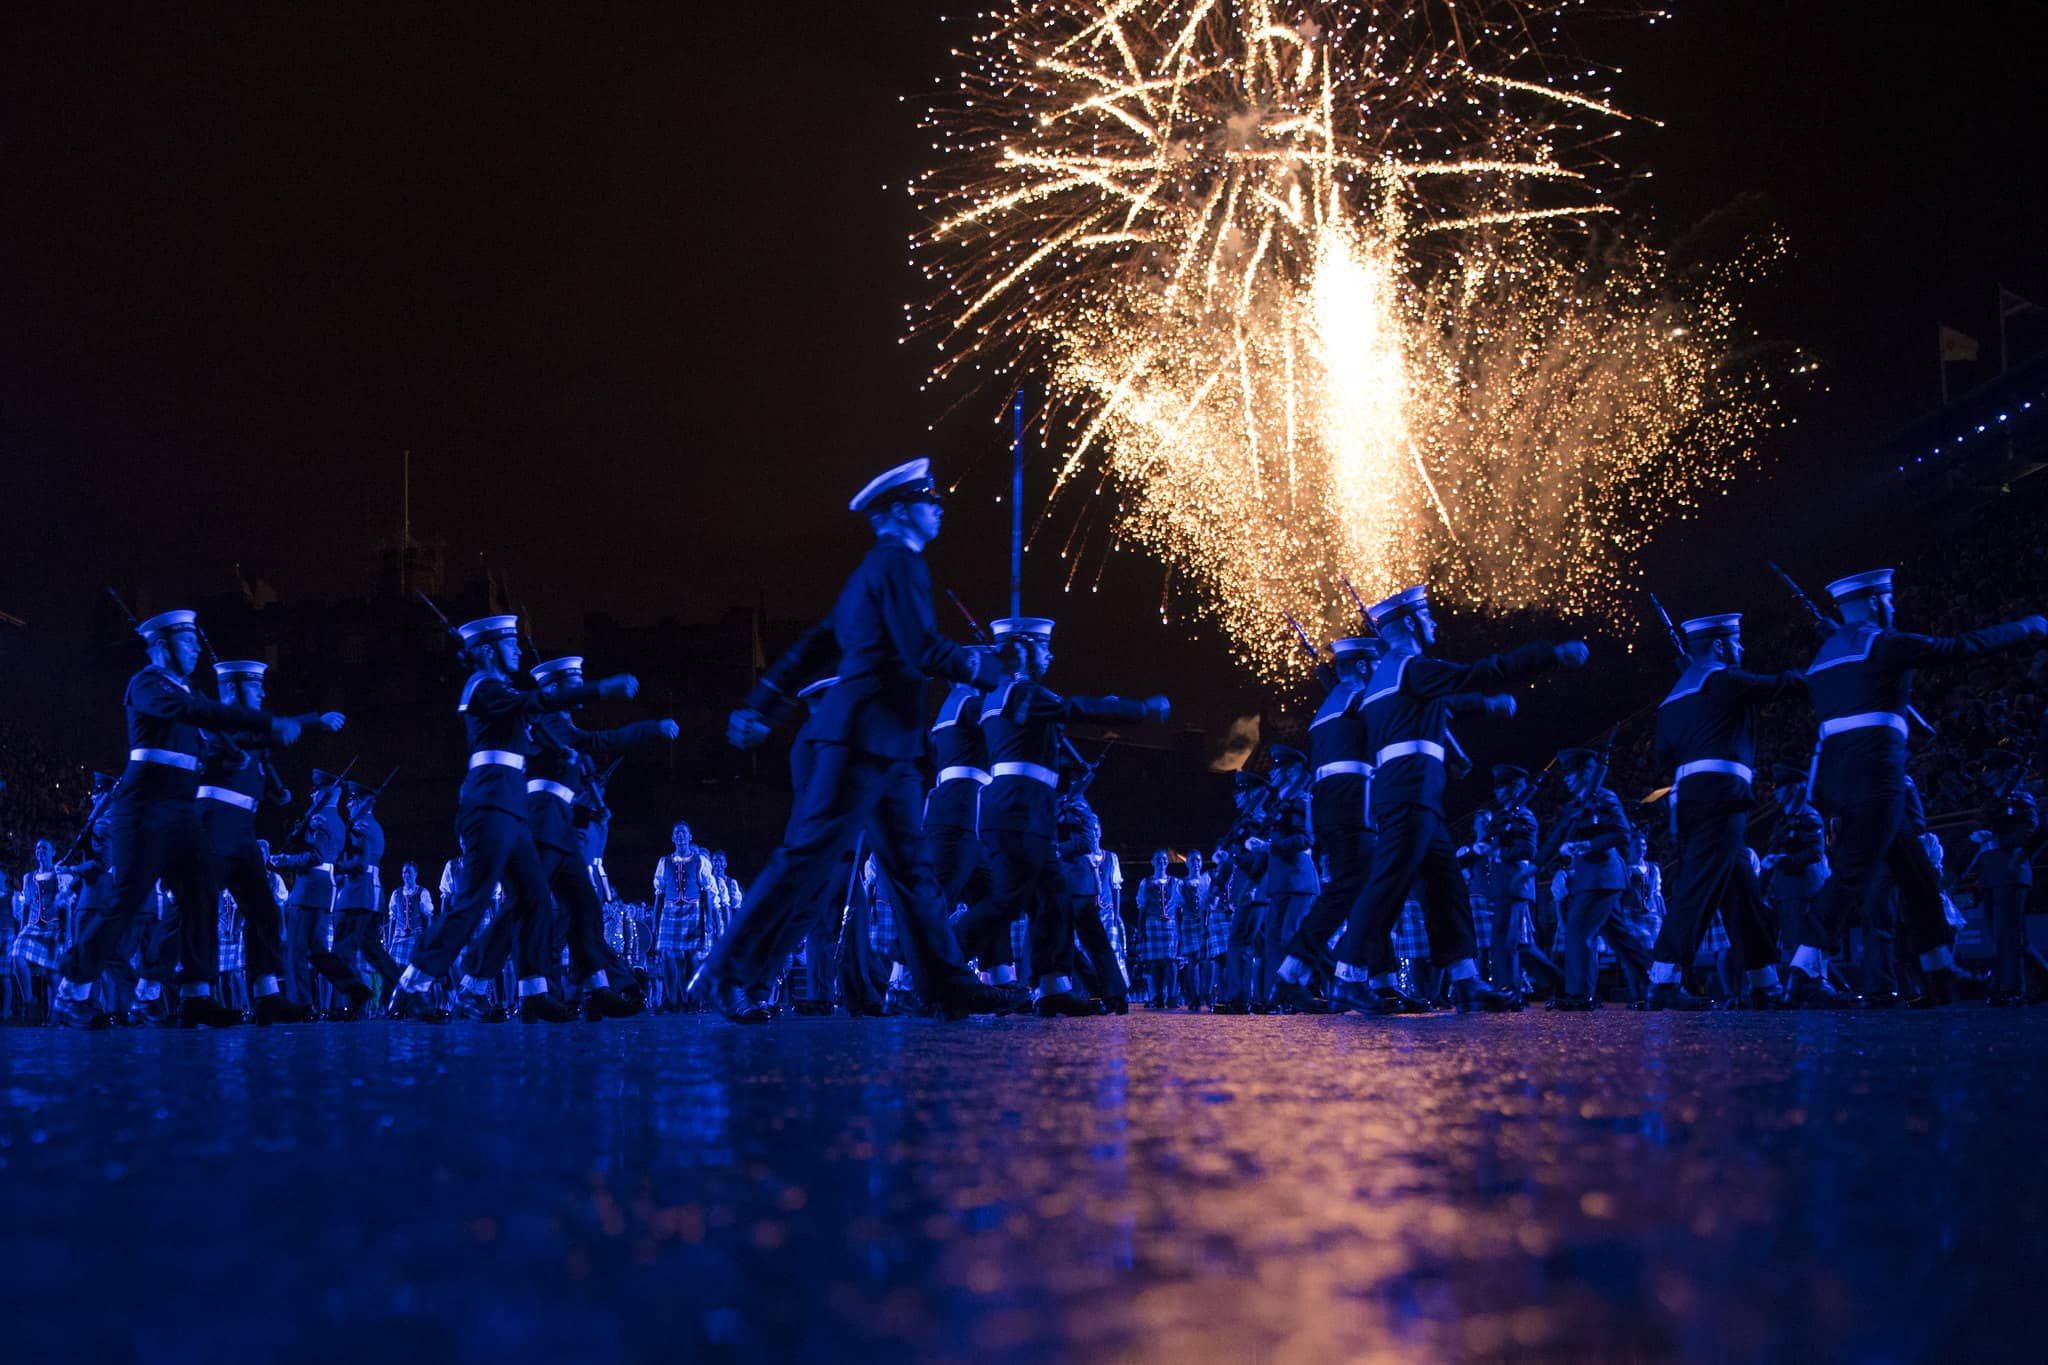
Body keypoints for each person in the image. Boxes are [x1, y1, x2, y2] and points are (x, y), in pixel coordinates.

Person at [702, 459, 1020, 1023]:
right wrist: (985, 665)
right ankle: (730, 974)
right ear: (900, 510)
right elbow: (919, 648)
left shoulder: (871, 571)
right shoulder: (899, 563)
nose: (939, 507)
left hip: (886, 745)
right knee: (806, 858)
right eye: (930, 500)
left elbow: (818, 643)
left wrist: (763, 704)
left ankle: (946, 985)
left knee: (912, 869)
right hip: (859, 741)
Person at [55, 610, 340, 1029]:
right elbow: (202, 713)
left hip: (182, 813)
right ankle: (72, 992)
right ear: (160, 647)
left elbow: (211, 723)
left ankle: (194, 997)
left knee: (201, 898)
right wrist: (283, 722)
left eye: (192, 643)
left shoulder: (183, 690)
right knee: (126, 902)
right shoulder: (148, 684)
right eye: (185, 644)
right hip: (145, 807)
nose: (193, 652)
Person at [1787, 568, 2046, 1008]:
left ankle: (1939, 971)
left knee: (1919, 879)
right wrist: (2027, 626)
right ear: (1873, 603)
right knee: (1853, 873)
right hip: (1879, 775)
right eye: (1887, 601)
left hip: (1842, 779)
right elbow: (1961, 647)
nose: (1892, 608)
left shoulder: (1825, 658)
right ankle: (1804, 972)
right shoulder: (1883, 643)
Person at [1332, 585, 1584, 1014]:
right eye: (1426, 617)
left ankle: (1465, 979)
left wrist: (1484, 705)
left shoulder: (1388, 675)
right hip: (1410, 792)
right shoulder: (1409, 666)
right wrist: (1549, 655)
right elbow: (1473, 673)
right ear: (1409, 623)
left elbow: (1446, 701)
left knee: (1447, 887)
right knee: (1388, 883)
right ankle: (1348, 976)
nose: (1432, 624)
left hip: (1415, 794)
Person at [388, 613, 639, 1024]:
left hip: (513, 811)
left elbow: (546, 724)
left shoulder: (502, 692)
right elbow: (531, 702)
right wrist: (600, 689)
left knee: (536, 899)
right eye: (511, 643)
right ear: (488, 650)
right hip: (489, 806)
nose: (519, 649)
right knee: (471, 903)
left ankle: (533, 992)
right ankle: (411, 985)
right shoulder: (482, 687)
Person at [960, 615, 1169, 1016]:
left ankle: (1053, 989)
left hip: (1026, 813)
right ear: (1022, 650)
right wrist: (1140, 709)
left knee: (1053, 901)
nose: (1050, 653)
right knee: (1008, 901)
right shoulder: (1019, 692)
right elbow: (1076, 707)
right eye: (1042, 647)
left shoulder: (1008, 693)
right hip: (1017, 811)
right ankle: (940, 964)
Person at [1645, 613, 1806, 1011]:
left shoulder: (1671, 700)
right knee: (1699, 887)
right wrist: (1836, 667)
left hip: (1689, 798)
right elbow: (1782, 686)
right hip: (1722, 795)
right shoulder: (1722, 680)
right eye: (1737, 642)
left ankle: (1763, 981)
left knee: (1741, 894)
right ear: (1719, 645)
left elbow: (1663, 757)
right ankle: (1664, 977)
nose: (1742, 649)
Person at [195, 659, 319, 1024]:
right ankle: (182, 993)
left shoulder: (250, 728)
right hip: (214, 822)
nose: (263, 692)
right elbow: (229, 744)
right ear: (233, 690)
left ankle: (266, 994)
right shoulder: (216, 722)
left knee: (263, 910)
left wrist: (276, 790)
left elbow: (262, 763)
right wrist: (306, 721)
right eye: (255, 686)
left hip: (243, 828)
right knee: (199, 908)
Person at [1544, 747, 1651, 1010]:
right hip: (1590, 879)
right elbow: (1557, 837)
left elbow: (1621, 834)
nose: (1566, 779)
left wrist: (1587, 845)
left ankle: (1578, 995)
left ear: (1584, 773)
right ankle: (1658, 983)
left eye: (1571, 773)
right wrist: (1537, 865)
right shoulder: (1575, 806)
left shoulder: (1604, 797)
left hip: (1604, 876)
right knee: (1622, 941)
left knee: (1578, 932)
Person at [653, 822, 715, 1013]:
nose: (680, 836)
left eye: (683, 833)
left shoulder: (699, 861)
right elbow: (659, 893)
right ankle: (672, 1000)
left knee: (692, 957)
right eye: (676, 833)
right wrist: (655, 921)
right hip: (670, 911)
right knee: (668, 955)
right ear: (673, 838)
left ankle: (692, 1001)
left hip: (693, 909)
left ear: (690, 837)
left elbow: (706, 892)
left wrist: (709, 918)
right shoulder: (664, 862)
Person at [1134, 849, 1177, 1008]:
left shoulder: (1175, 882)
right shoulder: (1145, 882)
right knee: (1155, 962)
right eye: (1158, 859)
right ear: (1152, 862)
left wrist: (1178, 928)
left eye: (1164, 858)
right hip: (1152, 923)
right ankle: (1158, 997)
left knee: (1171, 961)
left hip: (1171, 923)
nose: (1162, 861)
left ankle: (1172, 997)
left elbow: (1178, 907)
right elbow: (1142, 907)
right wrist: (1140, 930)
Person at [385, 861, 433, 971]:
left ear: (415, 874)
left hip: (415, 935)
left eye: (409, 872)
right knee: (394, 968)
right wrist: (389, 941)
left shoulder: (422, 892)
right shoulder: (396, 894)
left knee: (412, 968)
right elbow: (392, 919)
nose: (406, 875)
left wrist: (428, 938)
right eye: (404, 872)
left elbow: (428, 917)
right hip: (399, 935)